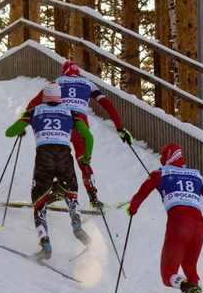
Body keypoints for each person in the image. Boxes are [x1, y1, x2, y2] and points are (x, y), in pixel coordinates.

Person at [125, 143, 203, 293]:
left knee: (168, 275)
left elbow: (139, 196)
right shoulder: (197, 175)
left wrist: (132, 209)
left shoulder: (159, 173)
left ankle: (186, 286)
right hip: (199, 227)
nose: (161, 160)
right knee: (190, 266)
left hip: (178, 225)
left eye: (162, 157)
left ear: (167, 157)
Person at [25, 60, 133, 209]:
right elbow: (107, 104)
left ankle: (55, 188)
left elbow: (33, 103)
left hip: (62, 124)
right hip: (80, 125)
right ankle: (94, 199)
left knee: (56, 156)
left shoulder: (57, 82)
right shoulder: (88, 83)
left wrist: (27, 118)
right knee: (84, 162)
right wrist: (120, 128)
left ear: (64, 72)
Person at [6, 82, 95, 260]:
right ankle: (78, 228)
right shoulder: (70, 111)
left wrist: (21, 129)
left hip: (44, 158)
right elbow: (88, 136)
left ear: (44, 97)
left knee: (39, 203)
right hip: (65, 157)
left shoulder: (35, 110)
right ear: (60, 97)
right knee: (71, 195)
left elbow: (10, 132)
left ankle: (45, 246)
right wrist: (86, 159)